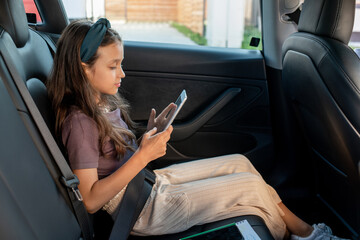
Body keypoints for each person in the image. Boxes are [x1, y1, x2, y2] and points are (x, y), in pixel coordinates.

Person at [47, 18, 346, 240]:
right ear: (84, 67)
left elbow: (111, 158)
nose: (122, 73)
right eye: (113, 66)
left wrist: (145, 139)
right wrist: (143, 157)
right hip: (141, 210)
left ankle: (302, 233)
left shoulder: (101, 104)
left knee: (240, 163)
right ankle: (305, 235)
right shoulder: (79, 122)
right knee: (250, 187)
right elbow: (90, 199)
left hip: (145, 184)